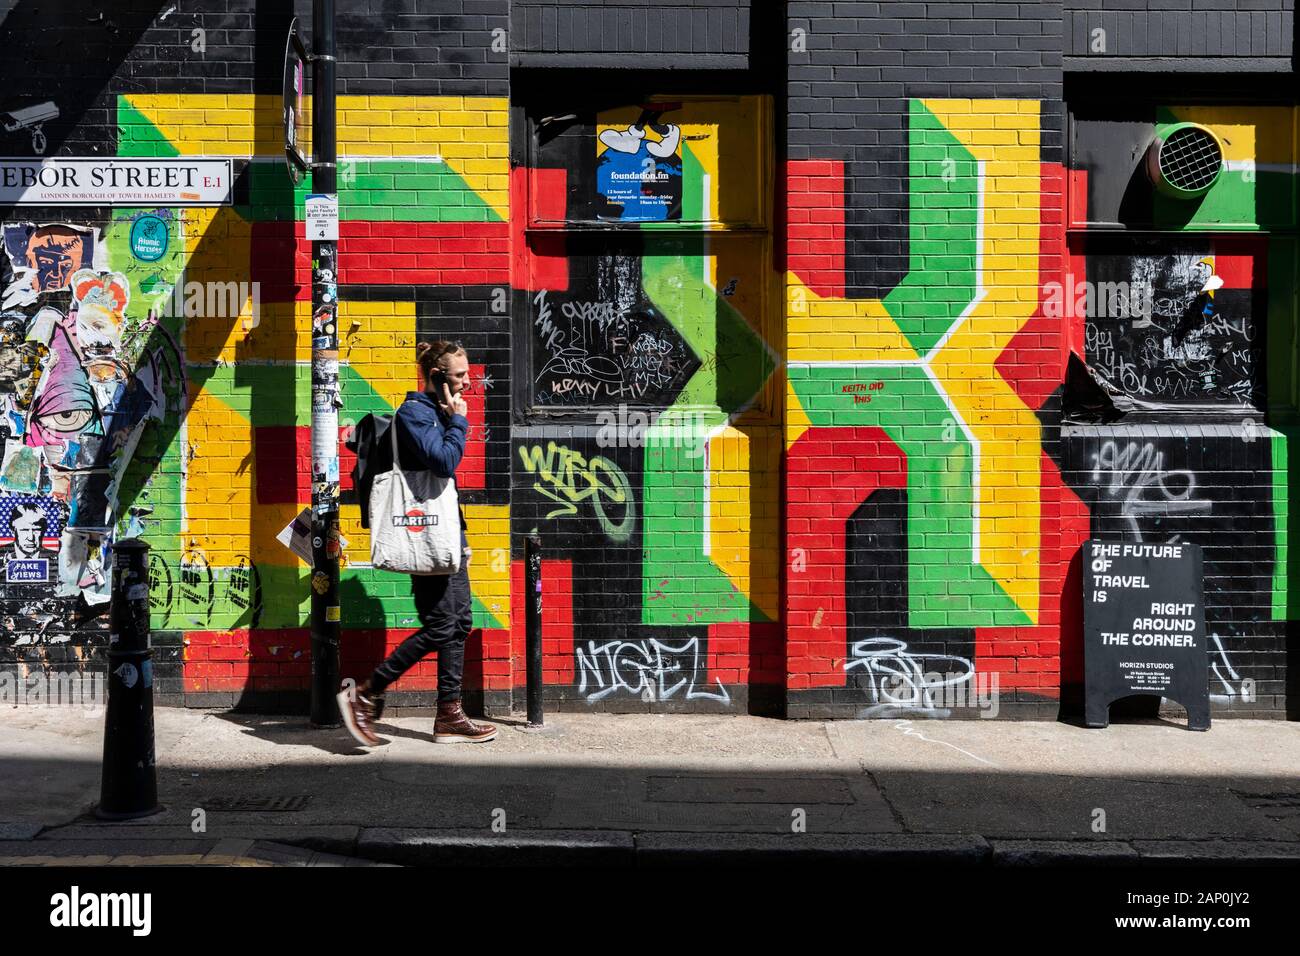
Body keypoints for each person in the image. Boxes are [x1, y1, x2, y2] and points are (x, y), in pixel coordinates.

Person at [338, 340, 498, 746]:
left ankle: (449, 715)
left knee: (459, 623)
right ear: (438, 376)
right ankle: (366, 692)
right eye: (460, 375)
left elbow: (442, 487)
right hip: (421, 537)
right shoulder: (414, 413)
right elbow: (443, 463)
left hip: (445, 537)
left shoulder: (437, 414)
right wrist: (458, 421)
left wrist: (460, 536)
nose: (467, 382)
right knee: (441, 625)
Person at [0, 501, 58, 583]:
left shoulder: (56, 558)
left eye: (36, 530)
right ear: (12, 531)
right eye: (24, 530)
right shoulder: (2, 555)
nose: (30, 537)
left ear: (43, 531)